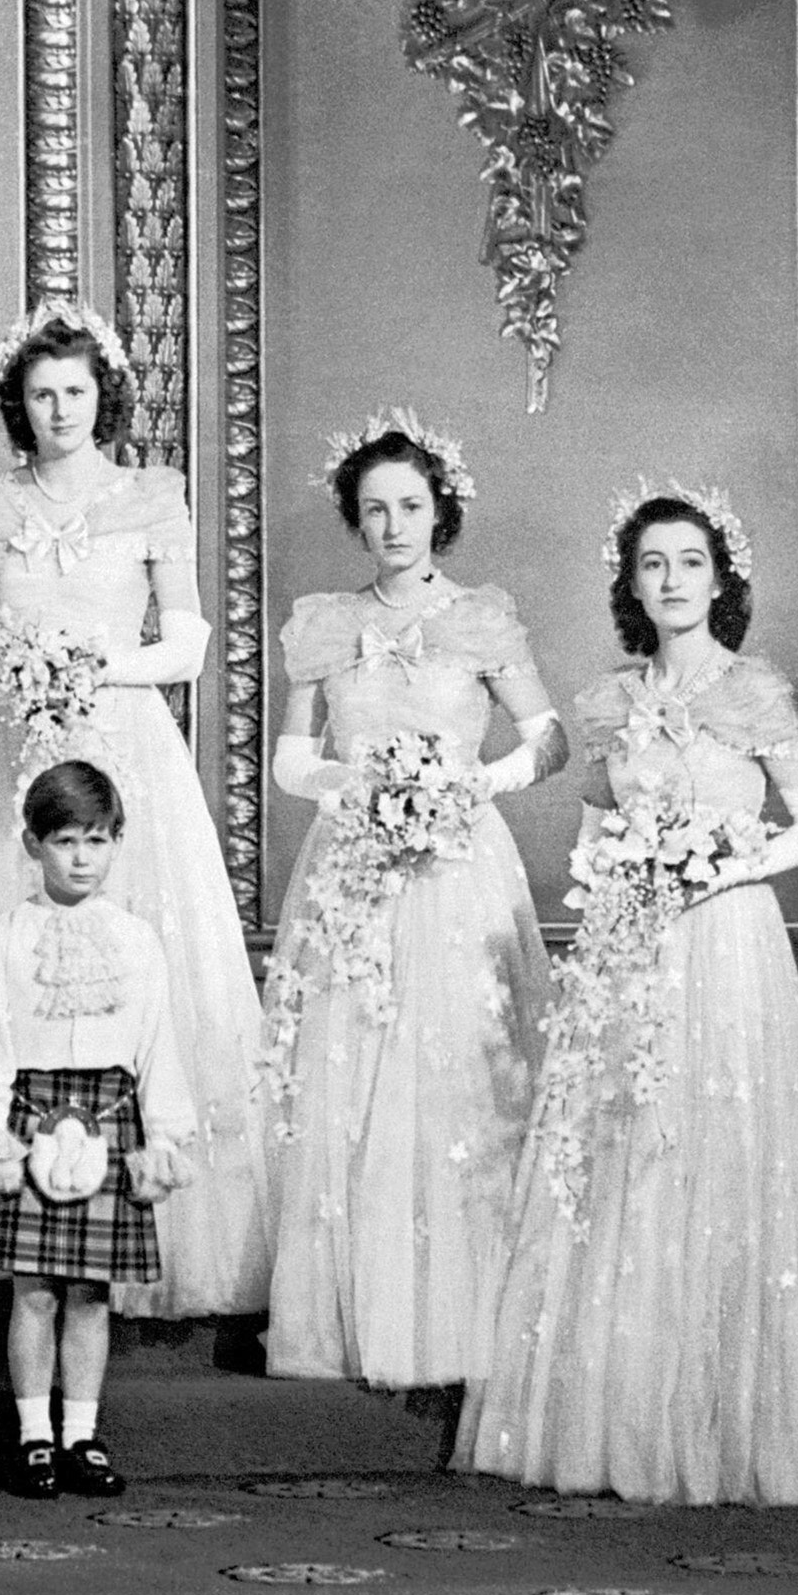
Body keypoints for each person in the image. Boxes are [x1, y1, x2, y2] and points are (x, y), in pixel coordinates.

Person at [461, 489, 798, 1506]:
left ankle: (731, 1420)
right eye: (652, 565)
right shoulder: (610, 702)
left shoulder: (752, 690)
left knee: (718, 1153)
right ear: (629, 583)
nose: (670, 580)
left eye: (688, 562)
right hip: (628, 950)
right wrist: (613, 881)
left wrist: (718, 865)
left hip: (724, 949)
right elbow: (589, 836)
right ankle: (619, 1414)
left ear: (721, 578)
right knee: (626, 1156)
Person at [0, 299, 267, 1318]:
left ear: (103, 397)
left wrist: (91, 670)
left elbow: (189, 644)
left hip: (124, 744)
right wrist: (17, 680)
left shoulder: (151, 499)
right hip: (8, 754)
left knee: (138, 963)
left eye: (75, 391)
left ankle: (143, 1221)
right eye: (40, 394)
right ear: (17, 405)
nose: (59, 409)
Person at [258, 412, 561, 1389]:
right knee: (355, 1073)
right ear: (355, 519)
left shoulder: (481, 617)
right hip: (353, 869)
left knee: (461, 1073)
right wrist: (357, 785)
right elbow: (289, 756)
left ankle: (470, 1323)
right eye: (375, 509)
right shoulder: (324, 623)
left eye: (411, 507)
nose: (394, 525)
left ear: (441, 513)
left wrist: (474, 784)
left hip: (459, 862)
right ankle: (355, 1315)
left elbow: (548, 736)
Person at [0, 760, 197, 1500]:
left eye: (97, 840)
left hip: (111, 1114)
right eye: (65, 841)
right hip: (31, 1117)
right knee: (34, 1291)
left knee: (90, 1293)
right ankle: (33, 1438)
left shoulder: (136, 938)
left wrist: (163, 1138)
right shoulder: (5, 932)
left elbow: (157, 1043)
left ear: (117, 842)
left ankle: (80, 1438)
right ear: (33, 845)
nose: (82, 858)